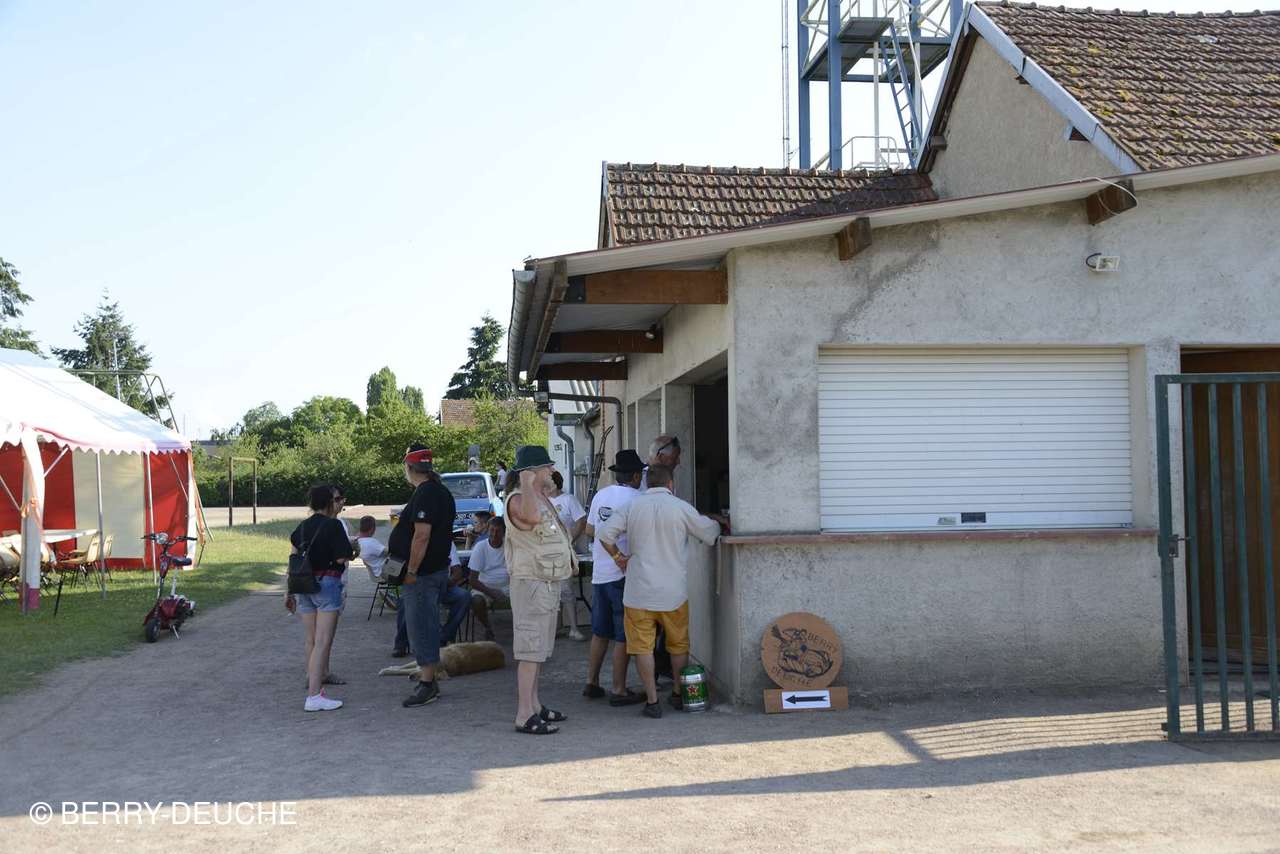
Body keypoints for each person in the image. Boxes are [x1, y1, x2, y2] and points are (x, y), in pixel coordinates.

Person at [596, 464, 722, 718]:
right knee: (678, 645)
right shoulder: (681, 507)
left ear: (647, 483)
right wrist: (718, 523)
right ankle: (677, 693)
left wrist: (619, 558)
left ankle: (652, 701)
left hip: (638, 592)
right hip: (673, 592)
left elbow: (604, 533)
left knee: (642, 647)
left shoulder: (633, 506)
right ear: (670, 484)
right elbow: (709, 533)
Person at [504, 445, 577, 734]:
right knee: (529, 651)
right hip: (531, 584)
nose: (552, 470)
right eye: (547, 467)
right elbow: (532, 519)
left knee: (539, 651)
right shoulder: (518, 499)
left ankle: (535, 705)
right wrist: (526, 483)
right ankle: (524, 714)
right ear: (532, 471)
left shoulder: (540, 497)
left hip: (546, 583)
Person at [387, 444, 456, 708]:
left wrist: (412, 571)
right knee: (424, 623)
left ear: (409, 468)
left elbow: (422, 536)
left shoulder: (426, 493)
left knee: (421, 626)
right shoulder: (440, 491)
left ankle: (428, 683)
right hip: (433, 570)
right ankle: (428, 678)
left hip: (423, 574)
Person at [581, 449, 647, 707]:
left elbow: (589, 529)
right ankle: (619, 689)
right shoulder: (638, 499)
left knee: (600, 632)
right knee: (623, 634)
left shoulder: (601, 494)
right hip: (623, 573)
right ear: (635, 476)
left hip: (600, 573)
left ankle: (592, 682)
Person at [286, 484, 354, 712]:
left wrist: (288, 591)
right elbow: (343, 557)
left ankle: (313, 680)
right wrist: (353, 549)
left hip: (304, 585)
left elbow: (293, 557)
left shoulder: (302, 527)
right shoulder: (333, 525)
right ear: (328, 503)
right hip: (327, 584)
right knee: (323, 640)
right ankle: (314, 695)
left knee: (311, 640)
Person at [549, 470, 587, 641]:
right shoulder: (542, 501)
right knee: (551, 591)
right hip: (547, 552)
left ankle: (573, 628)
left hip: (564, 551)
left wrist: (569, 541)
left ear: (554, 484)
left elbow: (581, 521)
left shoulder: (568, 499)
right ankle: (556, 628)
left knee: (566, 589)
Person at [466, 517, 510, 640]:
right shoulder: (480, 547)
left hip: (508, 586)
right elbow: (472, 580)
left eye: (498, 531)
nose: (494, 534)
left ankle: (523, 628)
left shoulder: (509, 546)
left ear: (504, 532)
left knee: (527, 594)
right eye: (492, 530)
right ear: (487, 530)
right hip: (485, 587)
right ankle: (487, 627)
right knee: (477, 601)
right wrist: (492, 592)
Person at [440, 542, 471, 646]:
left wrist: (446, 583)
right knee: (407, 600)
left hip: (444, 586)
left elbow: (458, 572)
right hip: (423, 587)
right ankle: (401, 643)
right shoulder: (417, 540)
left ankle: (444, 636)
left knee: (464, 596)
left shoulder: (447, 542)